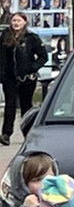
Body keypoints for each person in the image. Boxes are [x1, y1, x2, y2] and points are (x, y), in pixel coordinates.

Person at [0, 13, 47, 146]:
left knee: (26, 107)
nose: (16, 23)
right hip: (9, 77)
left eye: (18, 21)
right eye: (14, 20)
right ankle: (6, 134)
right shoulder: (5, 36)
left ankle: (28, 134)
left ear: (24, 22)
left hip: (26, 78)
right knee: (10, 106)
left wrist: (33, 68)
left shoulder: (31, 38)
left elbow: (43, 56)